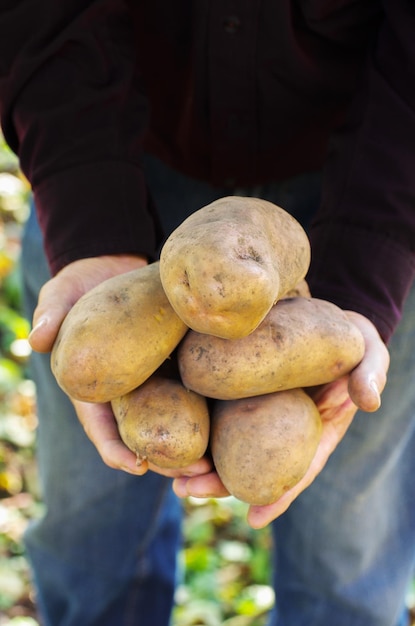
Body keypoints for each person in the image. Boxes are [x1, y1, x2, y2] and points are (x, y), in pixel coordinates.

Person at [1, 1, 414, 624]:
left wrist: (366, 266)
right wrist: (91, 224)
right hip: (113, 165)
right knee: (92, 543)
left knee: (345, 567)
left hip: (372, 186)